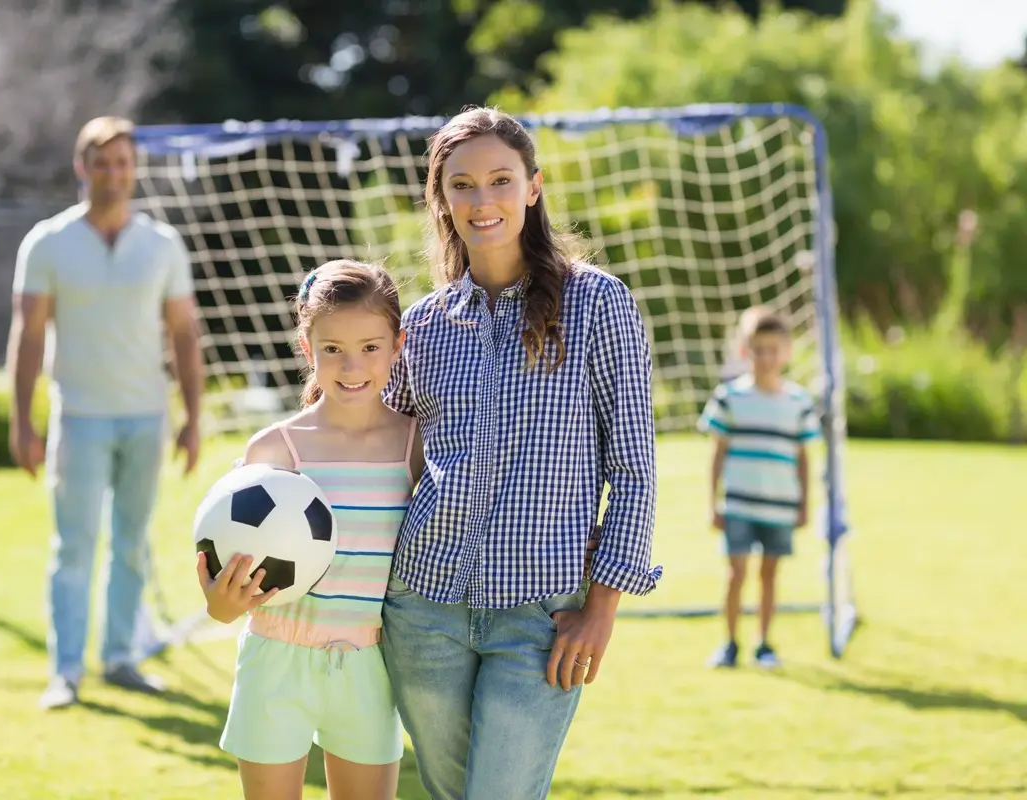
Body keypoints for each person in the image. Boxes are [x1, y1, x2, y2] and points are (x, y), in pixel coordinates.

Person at [378, 106, 662, 800]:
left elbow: (633, 465)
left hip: (540, 618)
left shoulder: (597, 304)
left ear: (533, 187)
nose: (483, 202)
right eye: (463, 185)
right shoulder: (422, 325)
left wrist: (602, 608)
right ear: (441, 199)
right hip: (422, 609)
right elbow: (380, 448)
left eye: (500, 180)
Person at [197, 260, 421, 800]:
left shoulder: (415, 445)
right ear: (307, 347)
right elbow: (223, 588)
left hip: (368, 666)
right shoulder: (274, 451)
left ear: (398, 345)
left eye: (370, 347)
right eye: (332, 349)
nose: (352, 366)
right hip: (276, 659)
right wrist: (221, 606)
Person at [7, 115, 204, 710]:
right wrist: (22, 422)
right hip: (80, 417)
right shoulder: (47, 242)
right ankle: (65, 672)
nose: (113, 173)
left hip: (146, 417)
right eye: (102, 163)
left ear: (133, 170)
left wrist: (193, 416)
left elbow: (185, 336)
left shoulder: (162, 244)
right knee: (74, 546)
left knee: (133, 542)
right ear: (82, 168)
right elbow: (28, 336)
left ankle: (120, 657)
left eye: (122, 163)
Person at [697, 308, 820, 669]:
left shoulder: (799, 403)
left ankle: (764, 644)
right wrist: (712, 502)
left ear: (786, 352)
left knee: (769, 575)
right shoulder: (728, 397)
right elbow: (716, 454)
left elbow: (803, 459)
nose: (766, 357)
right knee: (736, 573)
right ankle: (729, 644)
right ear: (745, 351)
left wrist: (804, 505)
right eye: (758, 349)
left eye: (773, 349)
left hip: (779, 506)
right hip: (737, 504)